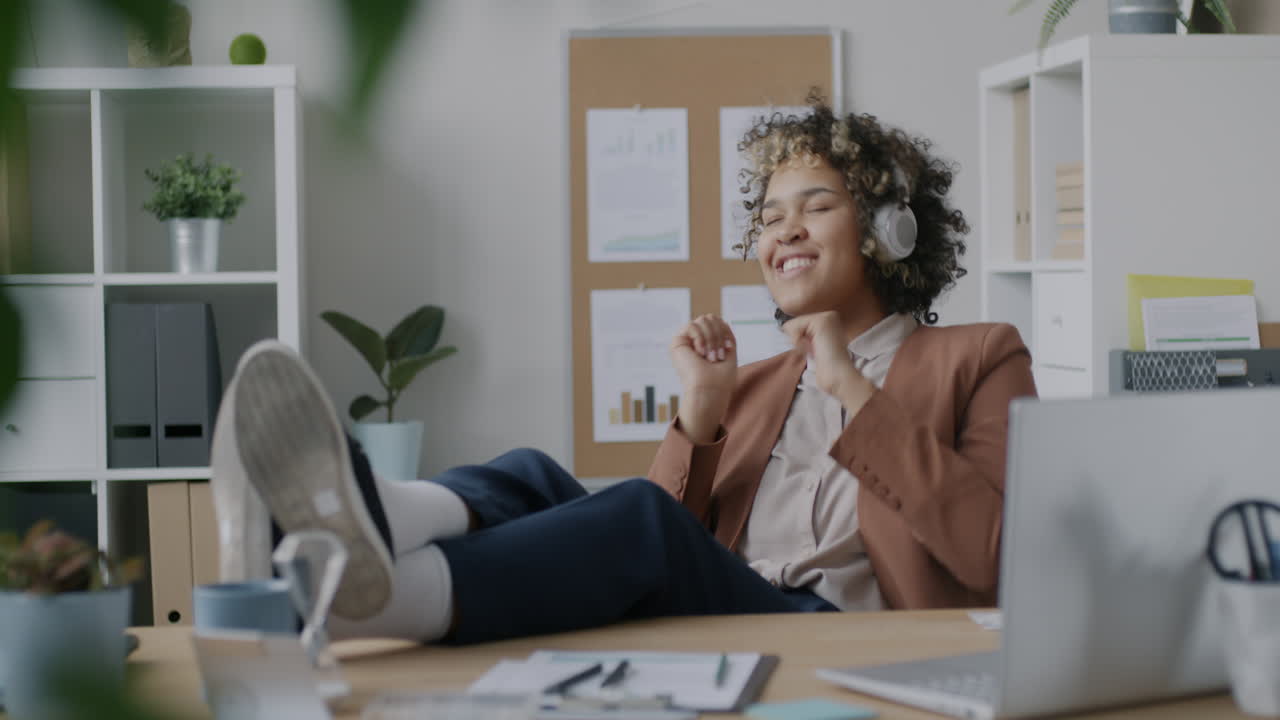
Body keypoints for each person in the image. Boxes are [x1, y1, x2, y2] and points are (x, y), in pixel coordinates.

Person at [210, 97, 1036, 645]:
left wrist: (855, 392)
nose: (784, 230)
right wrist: (701, 414)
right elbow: (651, 556)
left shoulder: (980, 354)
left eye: (816, 205)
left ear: (893, 231)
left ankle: (374, 601)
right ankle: (376, 521)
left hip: (843, 636)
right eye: (769, 215)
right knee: (533, 472)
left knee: (636, 515)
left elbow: (995, 555)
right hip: (734, 610)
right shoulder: (753, 383)